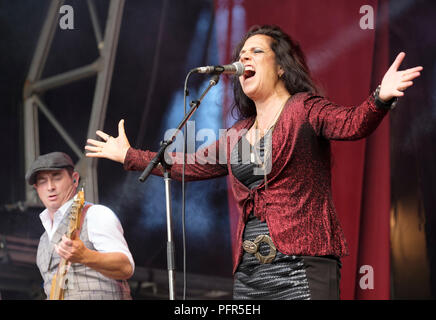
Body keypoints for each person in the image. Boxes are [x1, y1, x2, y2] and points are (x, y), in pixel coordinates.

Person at [85, 25, 422, 299]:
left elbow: (352, 124)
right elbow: (186, 164)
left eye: (255, 52)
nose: (243, 57)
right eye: (240, 54)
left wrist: (380, 96)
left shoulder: (303, 109)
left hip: (301, 265)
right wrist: (129, 156)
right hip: (251, 272)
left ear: (280, 66)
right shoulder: (238, 134)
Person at [25, 151, 134, 300]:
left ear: (74, 179)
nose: (50, 187)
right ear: (37, 188)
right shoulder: (43, 241)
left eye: (56, 177)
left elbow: (126, 267)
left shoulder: (95, 214)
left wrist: (85, 256)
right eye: (43, 181)